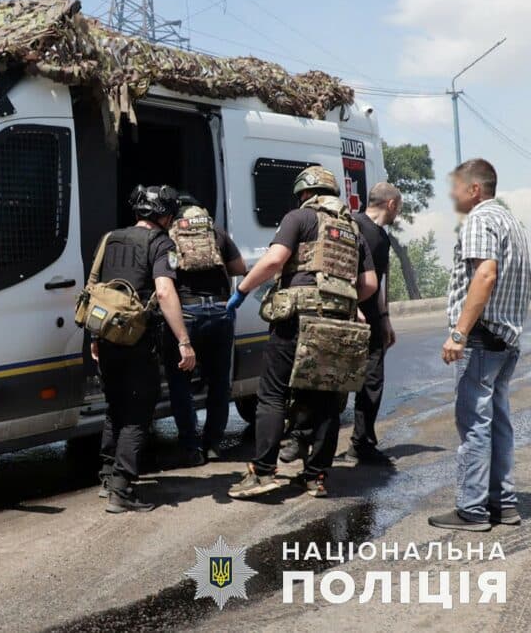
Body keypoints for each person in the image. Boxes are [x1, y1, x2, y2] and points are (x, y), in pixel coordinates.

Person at [225, 166, 378, 499]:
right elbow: (369, 285)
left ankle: (262, 472)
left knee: (273, 395)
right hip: (339, 323)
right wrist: (342, 300)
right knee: (326, 399)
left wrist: (241, 292)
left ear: (305, 193)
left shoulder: (299, 217)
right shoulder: (354, 230)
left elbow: (274, 260)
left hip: (297, 319)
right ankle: (316, 477)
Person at [429, 159, 531, 531]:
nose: (453, 194)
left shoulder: (479, 219)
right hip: (506, 339)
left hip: (481, 339)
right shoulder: (513, 223)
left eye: (457, 186)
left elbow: (485, 275)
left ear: (474, 189)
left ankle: (471, 509)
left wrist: (458, 333)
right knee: (499, 423)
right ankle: (502, 504)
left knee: (474, 423)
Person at [90, 185, 194, 513]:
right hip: (137, 341)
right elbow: (164, 292)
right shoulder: (162, 243)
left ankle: (107, 475)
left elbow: (96, 289)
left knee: (115, 406)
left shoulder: (111, 238)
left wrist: (94, 336)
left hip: (106, 337)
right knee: (137, 413)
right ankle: (121, 489)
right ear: (164, 215)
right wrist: (184, 340)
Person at [161, 196, 246, 465]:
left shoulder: (169, 235)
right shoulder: (216, 232)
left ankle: (191, 446)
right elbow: (240, 268)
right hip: (220, 312)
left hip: (186, 312)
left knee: (181, 383)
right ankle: (213, 444)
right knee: (220, 382)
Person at [335, 182, 402, 466]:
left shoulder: (383, 238)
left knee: (371, 382)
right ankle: (311, 446)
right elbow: (338, 270)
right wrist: (352, 307)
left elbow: (380, 281)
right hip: (345, 318)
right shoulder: (352, 226)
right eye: (399, 206)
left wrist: (385, 319)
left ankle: (361, 443)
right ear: (391, 204)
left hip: (373, 321)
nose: (399, 212)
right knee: (332, 381)